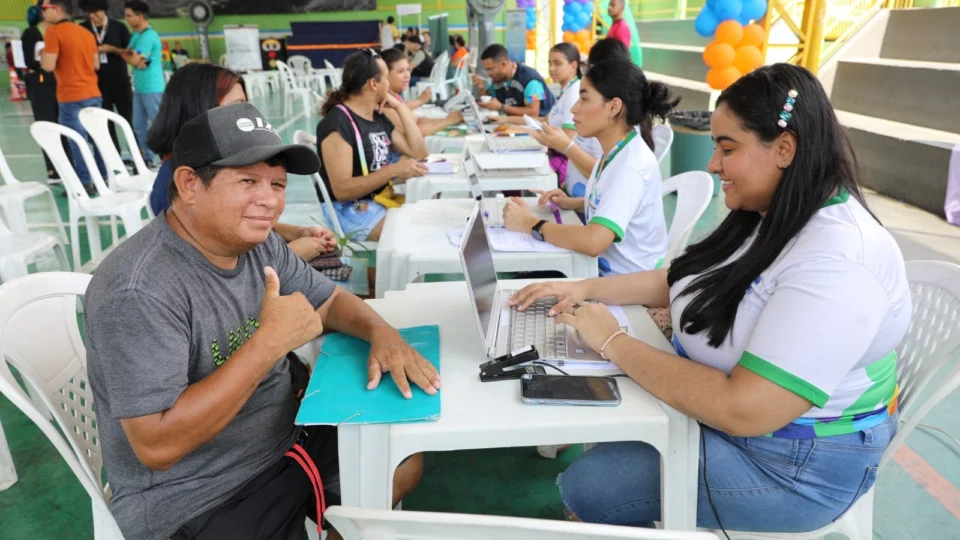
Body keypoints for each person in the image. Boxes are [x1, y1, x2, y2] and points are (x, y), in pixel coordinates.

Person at [509, 63, 910, 533]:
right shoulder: (773, 210)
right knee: (601, 422)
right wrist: (582, 288)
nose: (713, 163)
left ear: (785, 149)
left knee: (591, 488)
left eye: (727, 147)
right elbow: (679, 278)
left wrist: (613, 340)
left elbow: (745, 409)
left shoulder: (837, 263)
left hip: (790, 463)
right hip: (751, 429)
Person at [85, 101, 438, 540]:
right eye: (248, 181)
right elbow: (158, 446)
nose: (269, 200)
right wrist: (268, 344)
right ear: (190, 183)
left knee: (401, 460)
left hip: (284, 441)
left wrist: (382, 333)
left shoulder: (257, 242)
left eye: (277, 183)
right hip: (196, 495)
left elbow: (327, 301)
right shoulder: (139, 290)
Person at [145, 63, 335, 262]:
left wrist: (297, 233)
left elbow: (238, 219)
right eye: (234, 108)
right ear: (200, 111)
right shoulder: (181, 187)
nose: (245, 118)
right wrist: (292, 255)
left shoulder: (217, 165)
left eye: (245, 106)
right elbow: (213, 273)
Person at [504, 60, 675, 275]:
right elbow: (615, 203)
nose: (574, 108)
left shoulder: (630, 167)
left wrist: (530, 223)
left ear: (614, 107)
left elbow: (594, 241)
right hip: (602, 272)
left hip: (621, 283)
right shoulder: (616, 150)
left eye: (584, 98)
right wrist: (573, 202)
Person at [316, 50, 428, 242]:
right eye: (385, 77)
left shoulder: (377, 117)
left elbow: (418, 152)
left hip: (375, 198)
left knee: (425, 222)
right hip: (348, 208)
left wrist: (400, 107)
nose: (389, 84)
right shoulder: (338, 123)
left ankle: (377, 271)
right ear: (373, 83)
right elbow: (342, 191)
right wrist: (392, 171)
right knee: (415, 234)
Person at [493, 43, 599, 198]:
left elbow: (567, 138)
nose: (552, 68)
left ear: (573, 66)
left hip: (560, 163)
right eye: (550, 63)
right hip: (558, 157)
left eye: (557, 63)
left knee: (512, 170)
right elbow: (543, 120)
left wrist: (523, 131)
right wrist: (508, 122)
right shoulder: (566, 91)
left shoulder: (573, 93)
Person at [530, 38, 631, 201]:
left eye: (584, 99)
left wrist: (566, 146)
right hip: (576, 197)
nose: (574, 109)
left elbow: (604, 174)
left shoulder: (616, 126)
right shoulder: (602, 116)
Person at [41, 0, 107, 195]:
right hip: (93, 93)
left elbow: (47, 66)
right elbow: (96, 65)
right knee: (97, 139)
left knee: (77, 141)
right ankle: (104, 177)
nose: (43, 13)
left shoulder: (53, 32)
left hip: (71, 96)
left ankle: (85, 182)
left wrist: (43, 53)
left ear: (58, 9)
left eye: (46, 9)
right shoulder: (86, 33)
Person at [79, 0, 134, 158]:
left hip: (120, 82)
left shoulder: (119, 27)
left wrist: (112, 49)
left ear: (104, 11)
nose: (93, 17)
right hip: (97, 85)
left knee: (128, 121)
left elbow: (129, 54)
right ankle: (114, 158)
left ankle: (138, 156)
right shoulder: (83, 28)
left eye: (96, 13)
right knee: (105, 124)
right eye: (89, 14)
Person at [22, 4, 67, 180]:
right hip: (41, 82)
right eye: (48, 7)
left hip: (62, 80)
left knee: (65, 124)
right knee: (47, 124)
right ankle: (53, 169)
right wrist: (44, 56)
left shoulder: (62, 30)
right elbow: (29, 61)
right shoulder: (31, 33)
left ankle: (69, 164)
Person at [121, 0, 165, 167]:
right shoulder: (137, 35)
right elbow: (127, 55)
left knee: (158, 124)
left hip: (152, 87)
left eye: (129, 16)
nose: (127, 19)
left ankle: (166, 156)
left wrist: (134, 59)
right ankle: (147, 157)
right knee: (139, 125)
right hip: (139, 88)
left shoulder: (149, 36)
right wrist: (134, 59)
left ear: (139, 16)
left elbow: (133, 59)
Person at [380, 48, 463, 137]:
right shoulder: (385, 103)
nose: (407, 75)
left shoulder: (394, 96)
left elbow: (417, 120)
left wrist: (451, 119)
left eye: (408, 69)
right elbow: (415, 133)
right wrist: (449, 120)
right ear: (385, 75)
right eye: (401, 71)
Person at [472, 44, 555, 117]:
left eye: (490, 69)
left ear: (503, 64)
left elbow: (533, 113)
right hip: (516, 125)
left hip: (540, 127)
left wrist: (502, 107)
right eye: (486, 70)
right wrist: (481, 88)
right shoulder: (499, 81)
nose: (488, 74)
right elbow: (489, 99)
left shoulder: (530, 80)